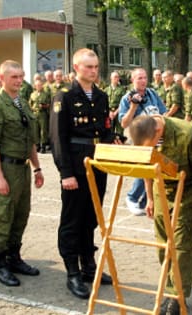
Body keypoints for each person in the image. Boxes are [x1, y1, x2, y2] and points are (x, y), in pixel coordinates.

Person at [128, 115, 192, 315]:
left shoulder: (189, 135)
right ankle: (169, 288)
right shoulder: (146, 133)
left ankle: (177, 297)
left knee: (181, 244)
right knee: (162, 245)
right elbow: (148, 167)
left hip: (187, 191)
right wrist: (149, 198)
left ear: (158, 132)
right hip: (161, 189)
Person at [50, 48, 116, 299]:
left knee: (91, 217)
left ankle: (88, 263)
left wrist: (113, 143)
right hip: (75, 169)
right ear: (77, 68)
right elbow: (58, 138)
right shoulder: (64, 96)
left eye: (96, 66)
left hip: (97, 166)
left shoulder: (100, 96)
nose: (94, 71)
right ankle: (72, 272)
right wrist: (65, 173)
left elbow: (105, 130)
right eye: (89, 67)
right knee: (72, 219)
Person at [0, 60, 44, 287]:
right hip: (6, 168)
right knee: (3, 215)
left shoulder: (22, 103)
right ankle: (0, 265)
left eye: (21, 76)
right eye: (13, 77)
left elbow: (30, 140)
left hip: (23, 167)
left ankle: (14, 257)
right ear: (2, 78)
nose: (18, 81)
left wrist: (37, 167)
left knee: (21, 214)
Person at [118, 68, 166, 215]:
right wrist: (133, 107)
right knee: (144, 169)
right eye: (139, 78)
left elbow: (163, 111)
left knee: (156, 169)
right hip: (140, 140)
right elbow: (123, 123)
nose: (143, 81)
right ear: (132, 80)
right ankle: (132, 197)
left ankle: (146, 201)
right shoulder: (127, 98)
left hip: (156, 138)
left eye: (145, 78)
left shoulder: (152, 94)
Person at [29, 78, 51, 153]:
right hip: (35, 114)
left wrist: (44, 106)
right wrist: (31, 109)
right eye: (37, 85)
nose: (39, 86)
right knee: (35, 130)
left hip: (43, 114)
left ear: (42, 86)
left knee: (43, 130)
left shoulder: (46, 94)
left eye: (40, 85)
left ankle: (43, 146)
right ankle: (37, 145)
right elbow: (30, 104)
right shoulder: (32, 94)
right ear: (35, 86)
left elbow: (49, 104)